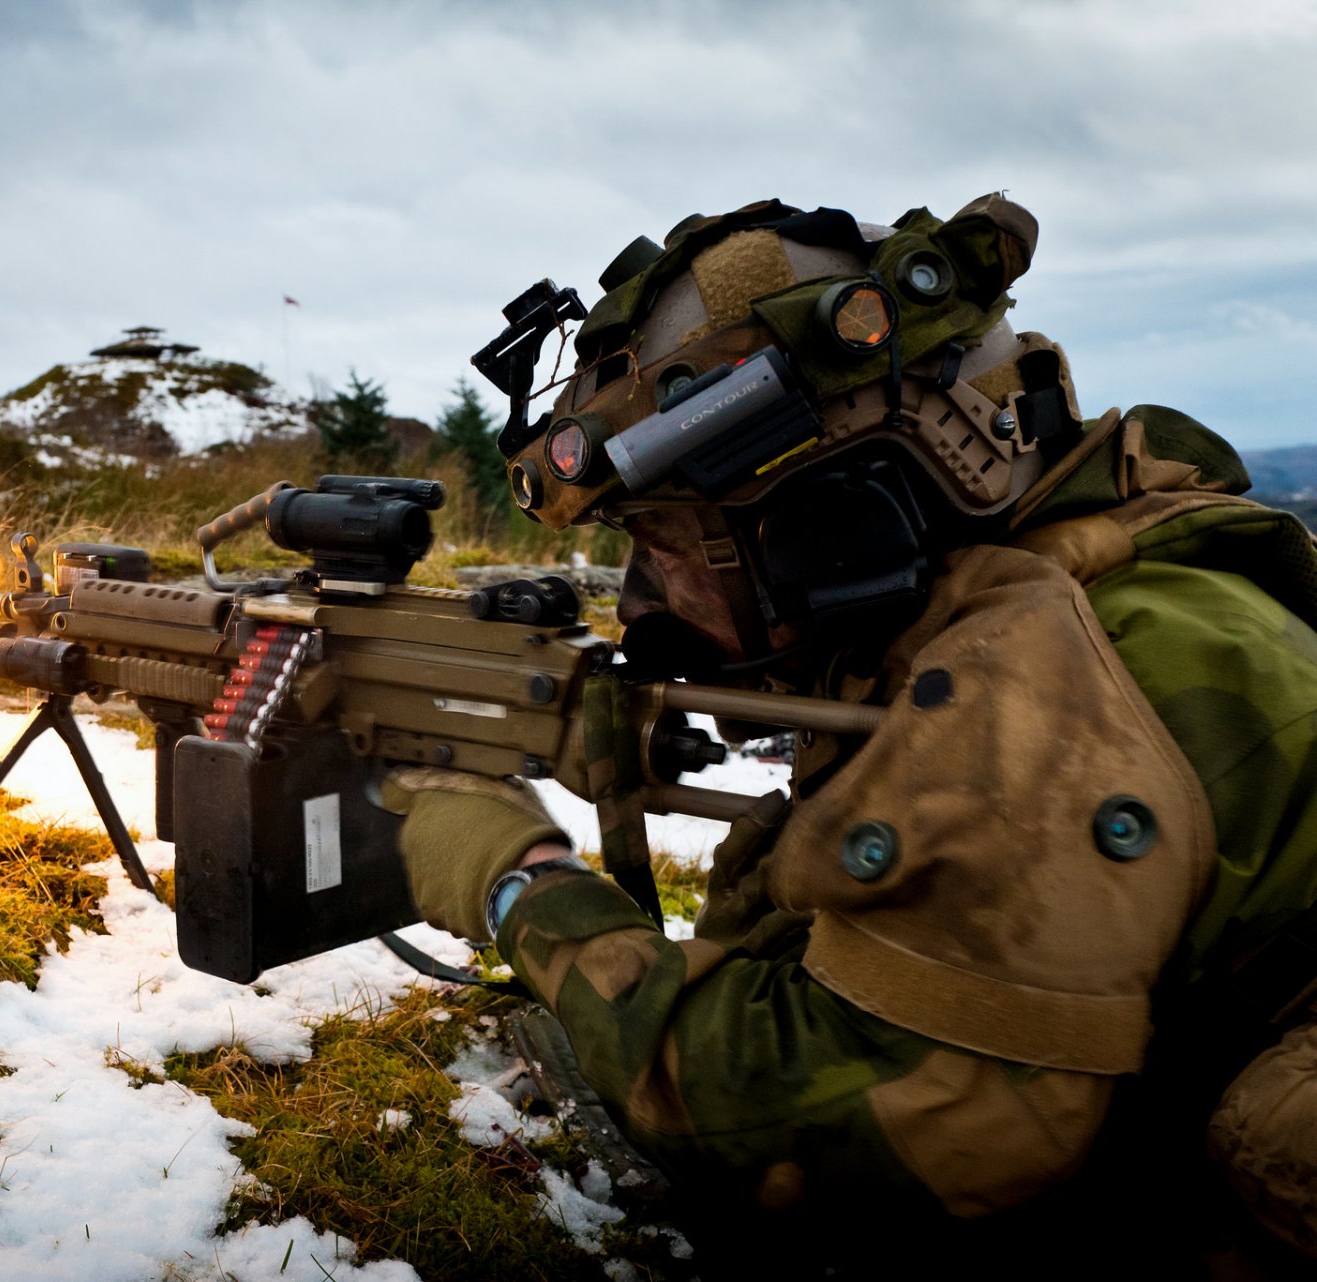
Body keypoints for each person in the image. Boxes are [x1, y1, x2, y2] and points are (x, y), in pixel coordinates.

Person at [385, 196, 1317, 1278]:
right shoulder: (1096, 570)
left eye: (668, 548)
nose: (642, 600)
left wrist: (522, 883)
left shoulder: (1046, 676)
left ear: (827, 525)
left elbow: (819, 1131)